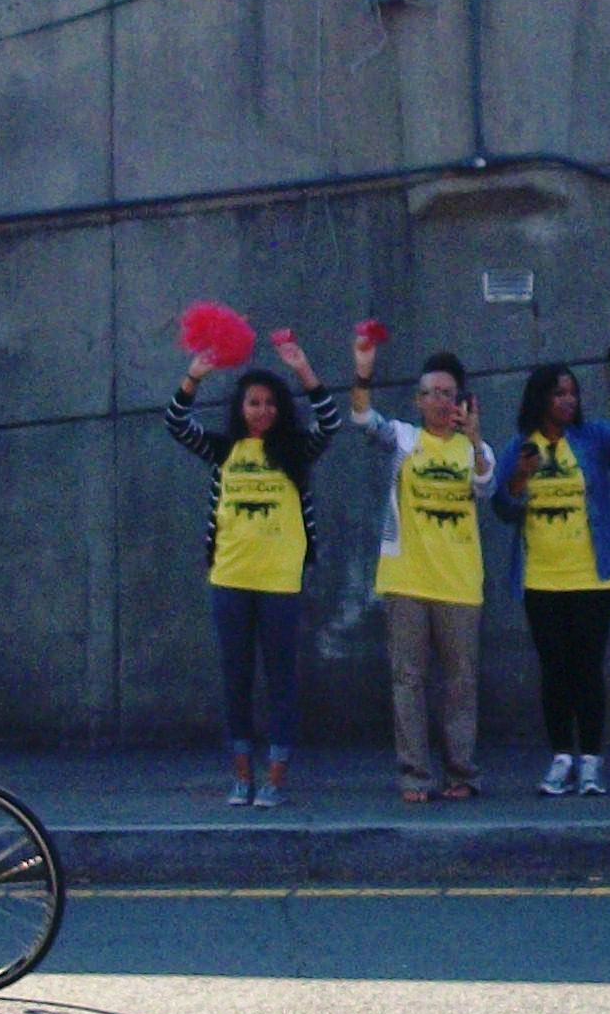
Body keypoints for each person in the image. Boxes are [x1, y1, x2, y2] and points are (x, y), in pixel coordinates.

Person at [164, 326, 342, 807]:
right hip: (229, 578)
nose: (261, 411)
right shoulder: (225, 451)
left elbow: (330, 422)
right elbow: (177, 424)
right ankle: (241, 774)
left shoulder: (294, 453)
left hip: (280, 581)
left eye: (269, 403)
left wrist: (302, 370)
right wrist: (194, 376)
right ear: (240, 409)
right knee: (236, 678)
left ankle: (276, 776)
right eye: (253, 403)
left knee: (281, 679)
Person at [494, 360, 610, 798]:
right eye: (558, 393)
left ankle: (591, 761)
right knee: (554, 669)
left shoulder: (592, 438)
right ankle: (561, 759)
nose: (568, 400)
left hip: (593, 576)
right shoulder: (520, 445)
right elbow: (501, 506)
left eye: (572, 392)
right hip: (541, 577)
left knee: (587, 668)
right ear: (540, 399)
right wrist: (520, 476)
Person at [350, 330, 495, 803]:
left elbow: (487, 488)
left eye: (447, 394)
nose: (438, 401)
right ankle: (415, 775)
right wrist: (363, 370)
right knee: (408, 681)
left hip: (459, 584)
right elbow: (363, 419)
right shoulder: (406, 440)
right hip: (407, 580)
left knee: (460, 684)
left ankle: (462, 773)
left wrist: (473, 439)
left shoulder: (479, 450)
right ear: (417, 400)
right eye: (430, 393)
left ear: (463, 401)